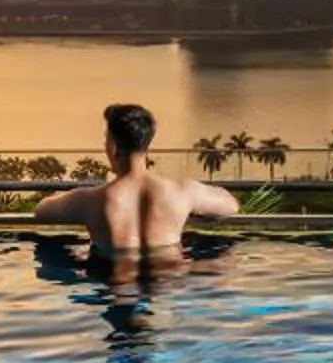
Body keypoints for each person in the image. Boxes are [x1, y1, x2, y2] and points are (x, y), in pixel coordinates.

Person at [33, 102, 237, 256]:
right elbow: (230, 206)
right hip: (166, 283)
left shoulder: (91, 200)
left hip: (113, 283)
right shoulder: (182, 192)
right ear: (147, 142)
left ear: (113, 147)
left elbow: (42, 210)